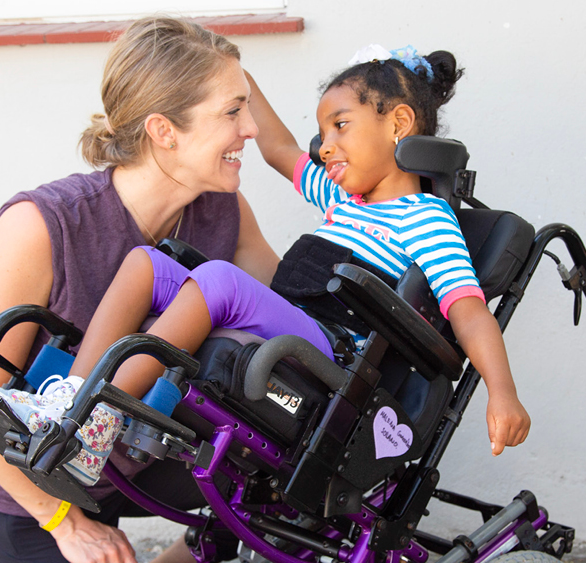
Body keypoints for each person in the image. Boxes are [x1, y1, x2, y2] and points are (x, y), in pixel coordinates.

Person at [57, 43, 531, 468]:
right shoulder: (342, 197)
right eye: (323, 133)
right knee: (148, 262)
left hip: (330, 349)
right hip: (290, 322)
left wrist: (501, 392)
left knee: (219, 281)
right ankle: (66, 401)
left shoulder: (425, 217)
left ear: (398, 124)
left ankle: (97, 419)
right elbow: (279, 147)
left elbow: (468, 310)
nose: (325, 147)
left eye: (340, 126)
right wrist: (235, 71)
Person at [0, 16, 276, 563]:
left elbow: (286, 304)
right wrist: (65, 525)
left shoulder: (223, 210)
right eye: (232, 110)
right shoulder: (43, 225)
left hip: (139, 462)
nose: (251, 128)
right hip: (37, 490)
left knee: (291, 493)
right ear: (163, 130)